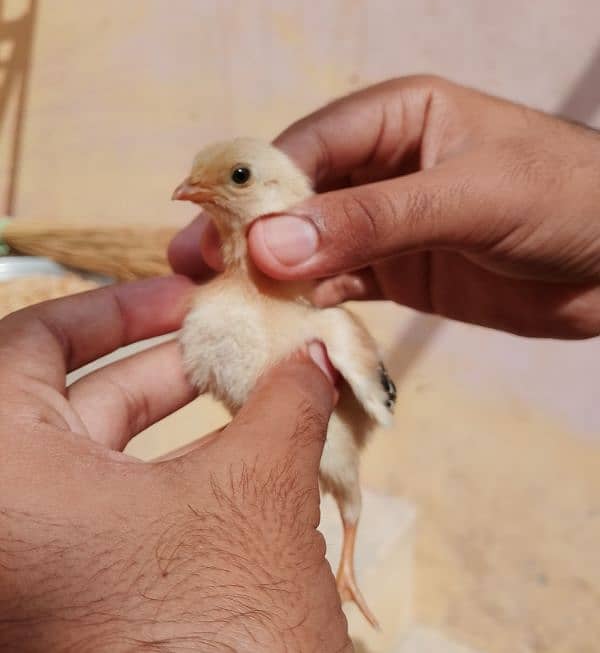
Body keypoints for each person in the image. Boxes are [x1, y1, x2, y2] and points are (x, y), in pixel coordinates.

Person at [1, 76, 598, 651]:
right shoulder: (211, 315)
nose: (197, 189)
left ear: (282, 195)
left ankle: (345, 557)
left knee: (341, 485)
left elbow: (376, 394)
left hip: (320, 469)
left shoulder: (323, 325)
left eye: (235, 178)